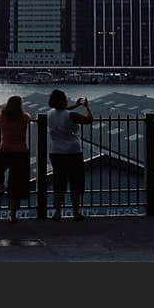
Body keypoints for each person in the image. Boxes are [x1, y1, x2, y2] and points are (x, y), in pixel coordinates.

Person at [47, 89, 93, 221]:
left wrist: (75, 105)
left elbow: (61, 110)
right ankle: (76, 212)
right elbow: (90, 120)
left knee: (59, 183)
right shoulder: (71, 115)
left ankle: (57, 212)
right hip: (73, 152)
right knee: (75, 182)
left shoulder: (50, 113)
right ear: (63, 100)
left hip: (56, 152)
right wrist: (87, 108)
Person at [0, 95, 32, 222]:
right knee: (16, 184)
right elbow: (29, 117)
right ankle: (13, 215)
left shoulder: (2, 116)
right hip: (21, 152)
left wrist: (2, 110)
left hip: (5, 150)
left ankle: (1, 186)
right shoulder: (25, 117)